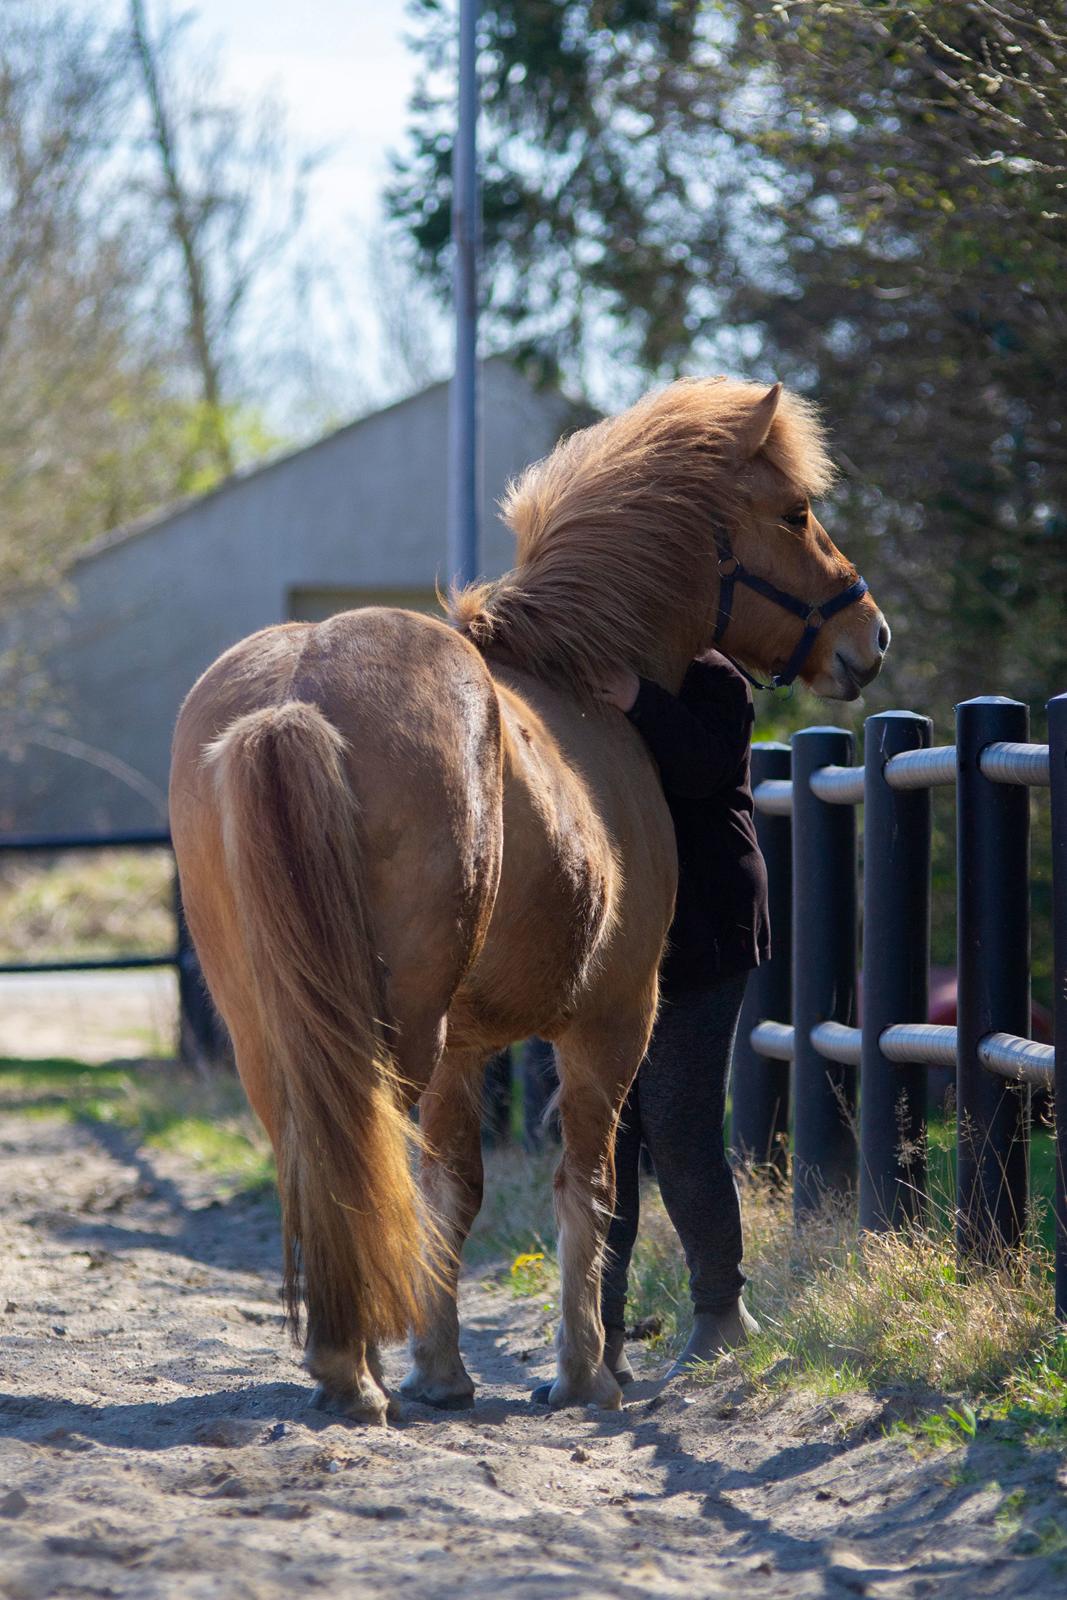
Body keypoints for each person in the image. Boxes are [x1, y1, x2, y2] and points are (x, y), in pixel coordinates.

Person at [598, 649, 770, 1380]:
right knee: (600, 1141)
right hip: (611, 940)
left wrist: (637, 693)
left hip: (701, 932)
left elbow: (703, 772)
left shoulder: (712, 678)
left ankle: (720, 1313)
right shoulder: (579, 668)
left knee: (677, 1127)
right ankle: (597, 1335)